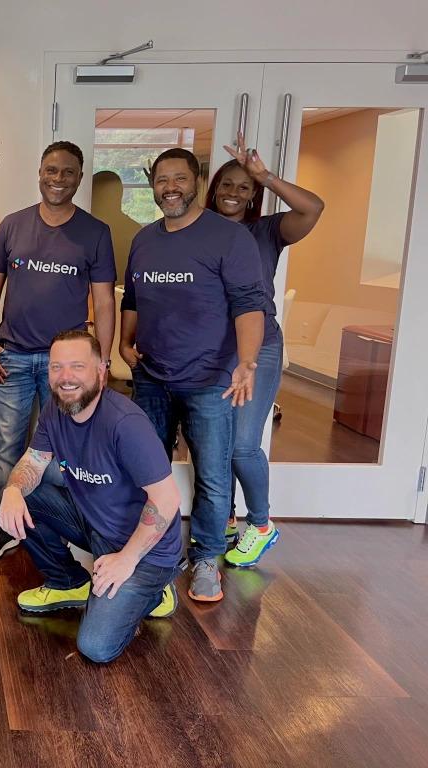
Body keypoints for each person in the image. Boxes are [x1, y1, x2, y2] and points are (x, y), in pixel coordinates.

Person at [120, 148, 266, 603]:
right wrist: (125, 344)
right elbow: (133, 300)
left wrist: (246, 362)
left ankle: (206, 557)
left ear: (196, 181)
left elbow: (248, 304)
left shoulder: (229, 238)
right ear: (152, 184)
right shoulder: (144, 238)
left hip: (210, 380)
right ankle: (158, 550)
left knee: (213, 476)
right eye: (162, 180)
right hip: (152, 376)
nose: (170, 188)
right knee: (148, 470)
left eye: (179, 179)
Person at [0, 330, 181, 663]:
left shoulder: (126, 423)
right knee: (23, 493)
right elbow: (34, 462)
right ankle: (67, 581)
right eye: (57, 367)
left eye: (77, 367)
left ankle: (153, 593)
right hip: (96, 525)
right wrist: (12, 490)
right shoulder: (57, 411)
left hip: (144, 550)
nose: (65, 377)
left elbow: (167, 500)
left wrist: (126, 560)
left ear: (100, 371)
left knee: (95, 647)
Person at [0, 141, 117, 561]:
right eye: (51, 170)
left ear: (79, 177)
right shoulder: (13, 225)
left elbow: (105, 301)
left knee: (67, 450)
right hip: (13, 357)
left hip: (67, 366)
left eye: (68, 172)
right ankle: (3, 526)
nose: (58, 179)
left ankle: (65, 524)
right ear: (39, 172)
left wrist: (102, 362)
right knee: (6, 446)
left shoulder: (95, 232)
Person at [205, 133, 324, 567]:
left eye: (244, 187)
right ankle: (228, 520)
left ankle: (260, 524)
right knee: (215, 444)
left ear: (254, 195)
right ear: (213, 189)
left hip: (259, 349)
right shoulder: (199, 232)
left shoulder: (266, 232)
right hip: (210, 351)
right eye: (227, 184)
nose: (234, 193)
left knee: (241, 445)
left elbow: (313, 208)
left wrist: (266, 176)